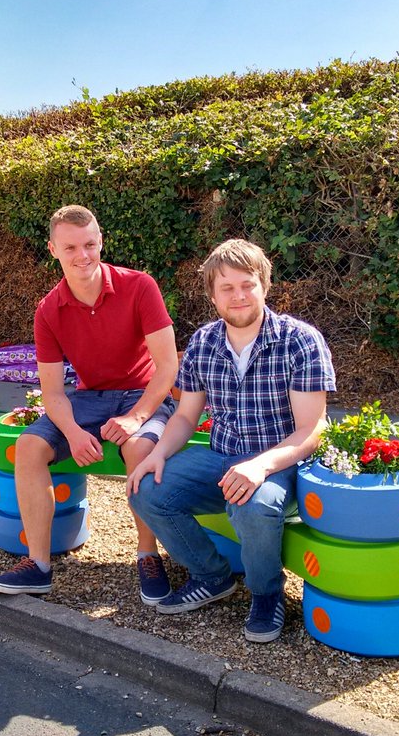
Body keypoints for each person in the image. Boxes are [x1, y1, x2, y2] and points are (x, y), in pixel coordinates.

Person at [127, 238, 336, 643]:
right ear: (212, 294)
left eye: (247, 284)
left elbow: (312, 428)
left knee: (251, 505)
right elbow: (187, 415)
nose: (238, 296)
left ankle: (266, 594)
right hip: (221, 456)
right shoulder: (204, 343)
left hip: (281, 462)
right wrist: (158, 455)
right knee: (146, 490)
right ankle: (212, 576)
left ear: (264, 286)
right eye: (227, 288)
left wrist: (259, 466)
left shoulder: (300, 341)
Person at [0, 205, 179, 601]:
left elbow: (168, 367)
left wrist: (136, 416)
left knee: (139, 447)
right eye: (70, 247)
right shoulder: (48, 310)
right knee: (28, 446)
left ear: (101, 241)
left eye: (90, 244)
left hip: (144, 395)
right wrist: (72, 432)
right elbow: (53, 392)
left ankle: (147, 555)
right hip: (89, 399)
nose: (83, 255)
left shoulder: (139, 286)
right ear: (53, 249)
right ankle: (38, 566)